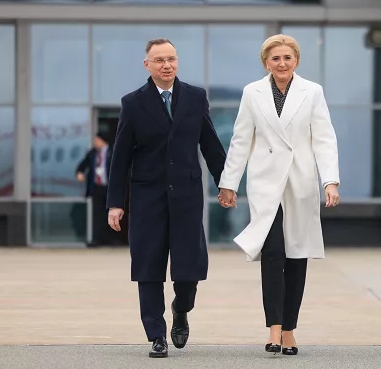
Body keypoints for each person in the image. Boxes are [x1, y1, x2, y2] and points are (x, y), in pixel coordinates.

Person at [218, 34, 340, 356]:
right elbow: (240, 140)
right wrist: (228, 182)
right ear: (265, 63)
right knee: (272, 252)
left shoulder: (312, 92)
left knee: (296, 256)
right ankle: (273, 327)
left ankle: (289, 329)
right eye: (276, 59)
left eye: (287, 58)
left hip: (300, 183)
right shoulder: (252, 93)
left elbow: (324, 139)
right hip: (266, 184)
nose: (282, 64)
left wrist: (331, 181)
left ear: (296, 60)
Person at [106, 38, 226, 358]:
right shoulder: (133, 103)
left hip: (187, 196)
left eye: (171, 58)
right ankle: (156, 334)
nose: (166, 64)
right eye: (159, 60)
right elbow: (120, 158)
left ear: (177, 62)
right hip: (147, 197)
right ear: (147, 65)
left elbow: (211, 146)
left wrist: (225, 183)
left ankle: (181, 308)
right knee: (149, 267)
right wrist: (116, 203)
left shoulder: (196, 98)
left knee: (189, 269)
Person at [76, 132, 119, 246]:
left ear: (102, 140)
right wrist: (80, 172)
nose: (95, 142)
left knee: (112, 214)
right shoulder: (92, 153)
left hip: (110, 189)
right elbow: (82, 164)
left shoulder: (113, 151)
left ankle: (112, 239)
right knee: (98, 215)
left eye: (97, 140)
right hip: (97, 188)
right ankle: (97, 240)